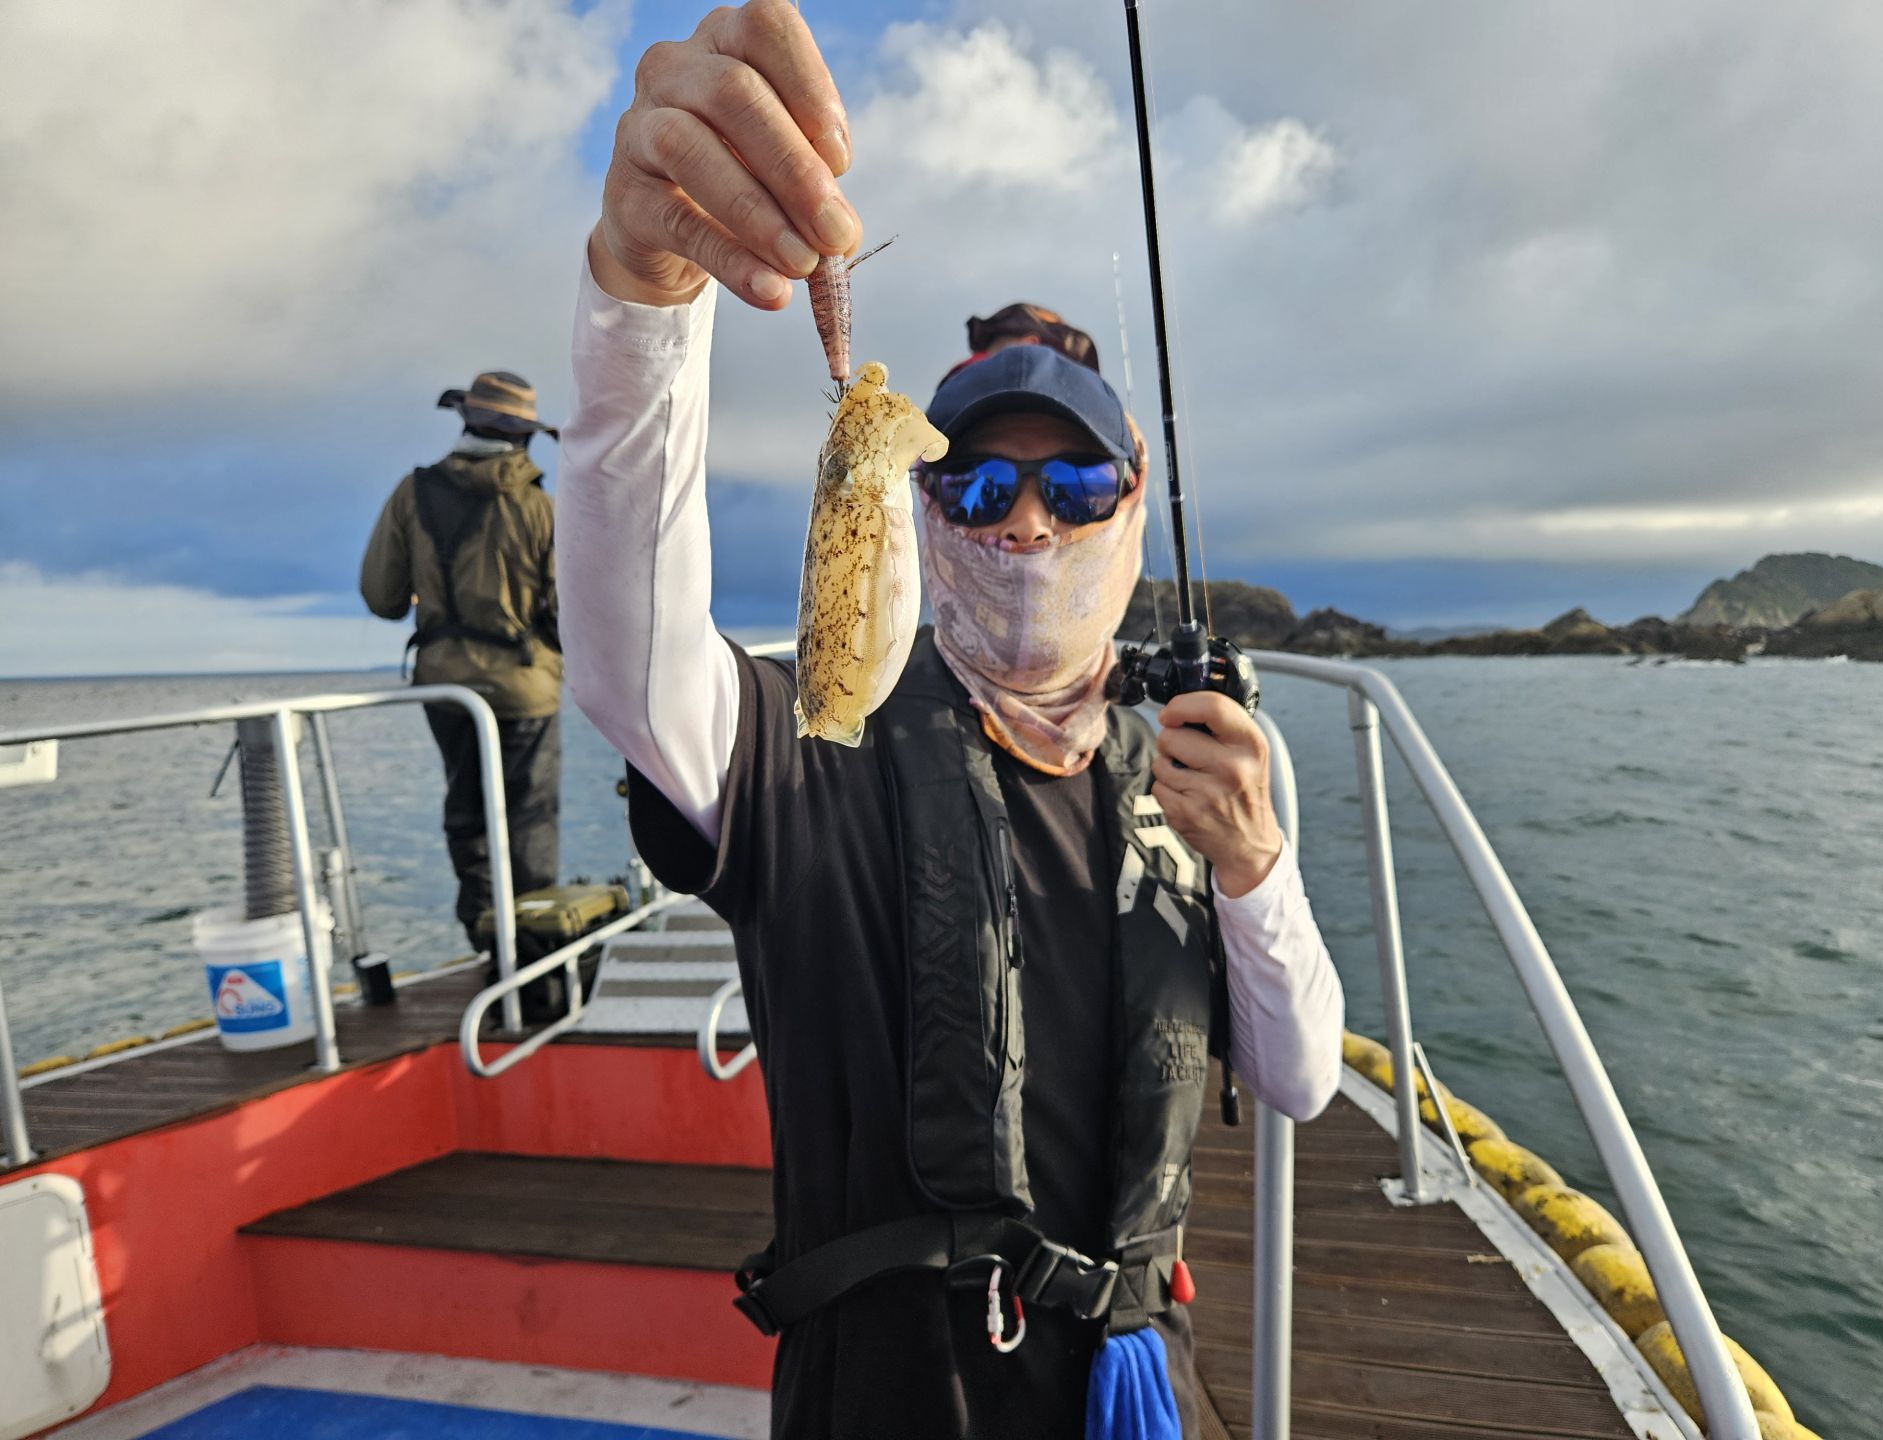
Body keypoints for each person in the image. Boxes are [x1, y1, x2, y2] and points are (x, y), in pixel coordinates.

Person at [559, 5, 1344, 1436]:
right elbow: (629, 659)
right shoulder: (813, 743)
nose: (1028, 524)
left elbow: (1297, 1079)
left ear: (1131, 509)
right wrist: (644, 301)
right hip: (893, 1393)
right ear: (918, 510)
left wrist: (1253, 865)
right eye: (980, 487)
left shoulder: (1188, 769)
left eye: (1075, 486)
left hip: (1131, 1379)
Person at [360, 370, 564, 950]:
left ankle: (486, 941)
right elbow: (566, 615)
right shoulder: (540, 507)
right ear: (522, 435)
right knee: (529, 820)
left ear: (466, 421)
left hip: (446, 686)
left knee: (467, 813)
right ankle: (536, 956)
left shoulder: (411, 492)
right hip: (525, 688)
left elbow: (382, 597)